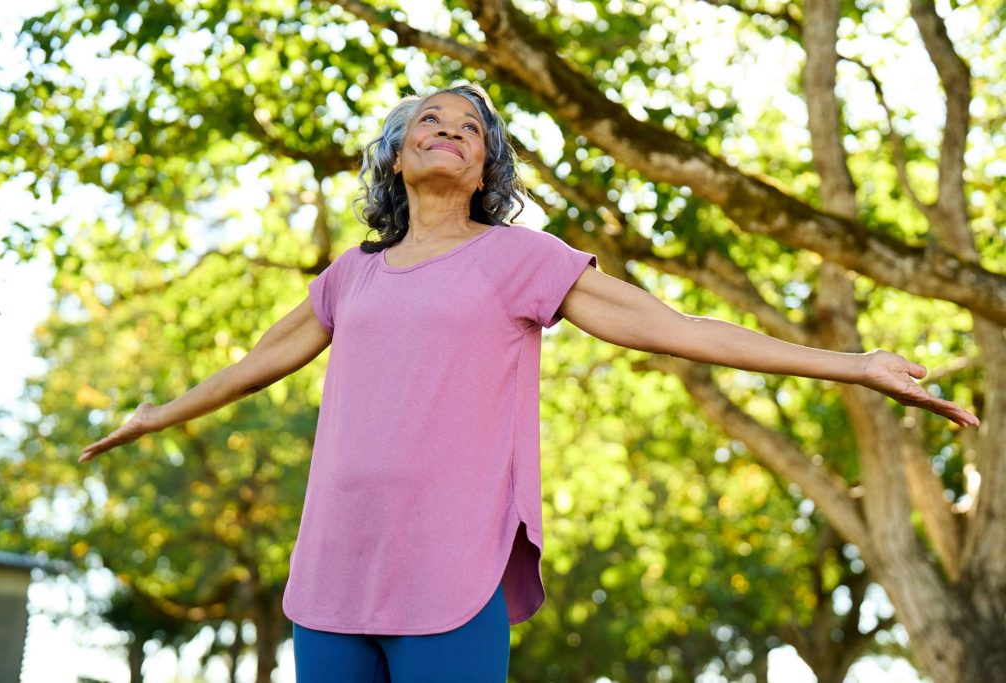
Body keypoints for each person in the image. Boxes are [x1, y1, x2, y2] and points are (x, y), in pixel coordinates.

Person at [78, 83, 980, 682]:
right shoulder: (349, 274)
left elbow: (675, 328)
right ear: (396, 157)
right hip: (333, 569)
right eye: (430, 121)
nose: (450, 132)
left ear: (485, 169)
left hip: (451, 569)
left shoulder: (519, 260)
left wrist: (853, 364)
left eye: (471, 130)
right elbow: (256, 362)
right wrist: (159, 413)